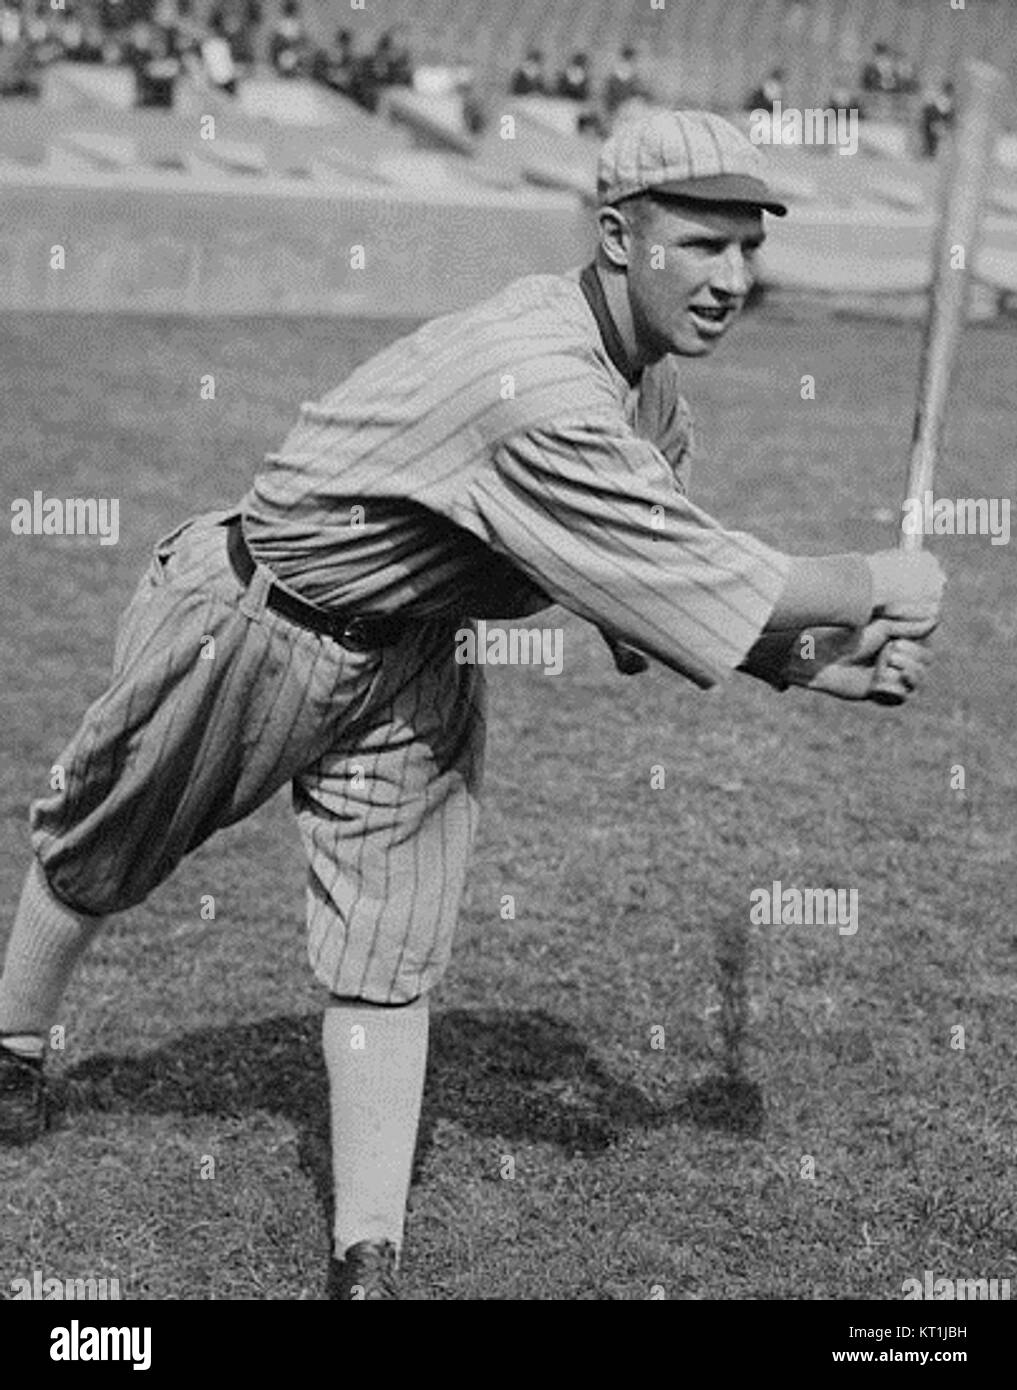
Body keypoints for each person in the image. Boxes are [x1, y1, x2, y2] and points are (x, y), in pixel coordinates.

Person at [0, 110, 944, 1300]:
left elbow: (638, 597)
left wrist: (816, 662)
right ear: (615, 235)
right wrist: (876, 583)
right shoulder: (536, 383)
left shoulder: (648, 406)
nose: (732, 280)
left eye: (748, 249)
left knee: (389, 951)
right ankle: (13, 1043)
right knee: (100, 846)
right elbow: (698, 578)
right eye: (701, 244)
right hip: (253, 617)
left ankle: (367, 1253)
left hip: (413, 660)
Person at [920, 79, 954, 158]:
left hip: (936, 119)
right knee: (931, 139)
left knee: (934, 140)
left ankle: (932, 153)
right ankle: (930, 153)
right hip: (934, 119)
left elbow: (945, 112)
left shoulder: (945, 99)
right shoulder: (942, 98)